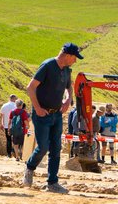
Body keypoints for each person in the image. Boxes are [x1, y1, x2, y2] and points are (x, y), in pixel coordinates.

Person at [25, 42, 80, 193]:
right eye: (74, 57)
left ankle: (52, 182)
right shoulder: (48, 65)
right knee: (43, 147)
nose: (75, 61)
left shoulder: (67, 70)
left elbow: (69, 87)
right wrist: (37, 108)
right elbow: (30, 87)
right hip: (42, 114)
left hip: (56, 114)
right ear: (67, 55)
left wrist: (68, 100)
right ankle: (30, 167)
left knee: (56, 149)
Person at [0, 95, 26, 159]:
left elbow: (1, 115)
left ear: (9, 98)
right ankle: (15, 153)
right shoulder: (16, 106)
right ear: (14, 99)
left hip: (7, 125)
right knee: (17, 140)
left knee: (8, 139)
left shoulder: (4, 105)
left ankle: (9, 154)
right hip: (17, 126)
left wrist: (1, 123)